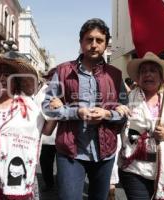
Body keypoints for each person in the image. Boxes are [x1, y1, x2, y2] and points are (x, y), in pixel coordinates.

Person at [42, 18, 128, 200]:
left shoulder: (115, 75)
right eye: (89, 40)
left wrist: (107, 114)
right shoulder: (64, 71)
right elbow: (47, 108)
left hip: (105, 153)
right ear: (81, 42)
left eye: (99, 40)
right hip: (70, 153)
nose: (94, 45)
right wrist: (75, 112)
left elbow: (124, 113)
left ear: (106, 44)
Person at [0, 51, 53, 199]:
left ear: (16, 80)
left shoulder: (30, 105)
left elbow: (46, 131)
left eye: (7, 75)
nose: (2, 78)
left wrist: (55, 114)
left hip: (18, 172)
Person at [117, 52, 164, 200]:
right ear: (138, 77)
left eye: (153, 71)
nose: (148, 74)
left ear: (161, 77)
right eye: (143, 71)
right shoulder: (127, 99)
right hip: (133, 167)